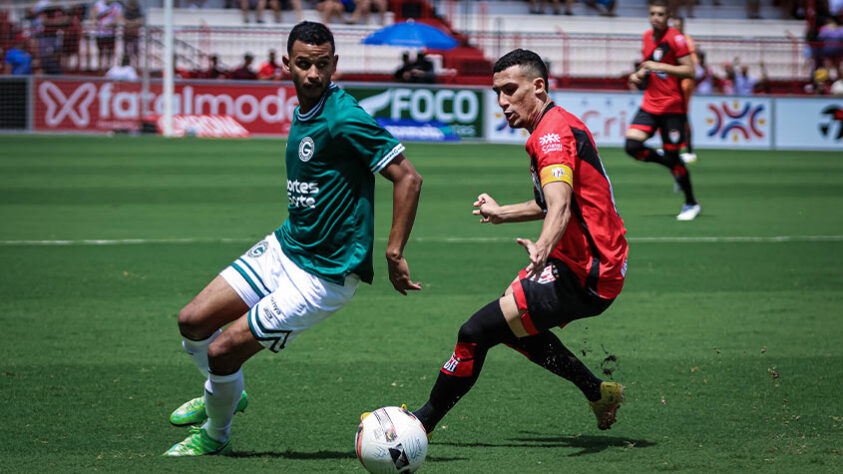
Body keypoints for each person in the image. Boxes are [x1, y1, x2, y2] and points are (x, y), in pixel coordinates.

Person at [162, 20, 423, 457]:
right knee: (192, 321)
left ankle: (216, 433)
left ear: (334, 64)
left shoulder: (344, 116)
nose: (314, 74)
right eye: (304, 64)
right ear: (287, 64)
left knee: (224, 352)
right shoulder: (305, 109)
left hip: (324, 276)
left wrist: (394, 251)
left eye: (322, 65)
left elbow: (408, 179)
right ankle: (225, 391)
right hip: (286, 247)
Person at [376, 48, 629, 439]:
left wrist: (543, 247)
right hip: (580, 261)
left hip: (588, 272)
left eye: (510, 90)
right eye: (497, 92)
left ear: (539, 86)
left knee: (475, 331)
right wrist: (502, 213)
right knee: (508, 329)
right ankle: (598, 391)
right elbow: (553, 200)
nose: (502, 102)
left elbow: (559, 207)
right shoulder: (554, 127)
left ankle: (420, 426)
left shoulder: (550, 137)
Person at [625, 0, 700, 221]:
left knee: (673, 153)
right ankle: (671, 165)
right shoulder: (647, 36)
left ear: (668, 16)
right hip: (650, 104)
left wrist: (658, 67)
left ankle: (691, 203)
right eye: (652, 13)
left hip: (672, 108)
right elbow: (648, 64)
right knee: (632, 146)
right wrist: (638, 75)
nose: (656, 17)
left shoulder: (676, 38)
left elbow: (690, 71)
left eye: (660, 14)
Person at [671, 16, 697, 164]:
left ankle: (689, 150)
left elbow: (691, 64)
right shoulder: (670, 39)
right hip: (673, 83)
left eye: (678, 26)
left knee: (683, 116)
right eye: (673, 26)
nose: (675, 29)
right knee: (670, 115)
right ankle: (672, 147)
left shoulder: (686, 41)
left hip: (684, 83)